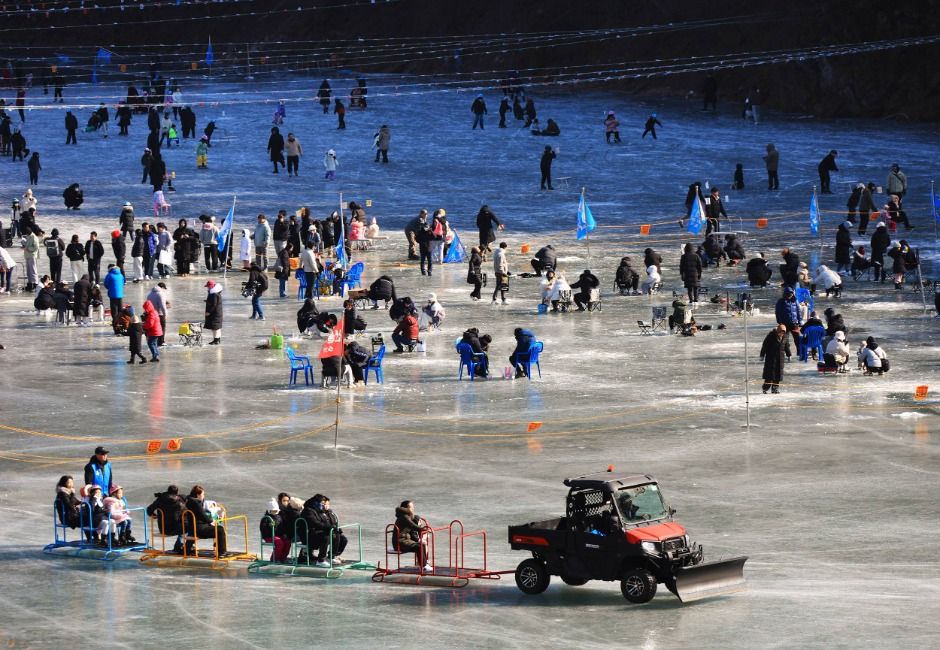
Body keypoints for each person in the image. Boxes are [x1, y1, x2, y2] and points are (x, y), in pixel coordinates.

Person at [301, 495, 347, 567]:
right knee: (325, 537)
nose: (323, 505)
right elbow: (315, 523)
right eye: (322, 503)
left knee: (337, 535)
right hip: (309, 534)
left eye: (324, 503)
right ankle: (320, 560)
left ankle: (331, 557)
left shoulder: (321, 511)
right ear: (316, 503)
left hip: (318, 532)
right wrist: (328, 527)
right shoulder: (308, 511)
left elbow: (327, 522)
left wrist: (334, 528)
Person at [185, 485, 228, 556]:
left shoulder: (190, 501)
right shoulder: (196, 503)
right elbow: (203, 515)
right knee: (220, 530)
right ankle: (221, 552)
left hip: (194, 528)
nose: (203, 496)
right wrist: (211, 521)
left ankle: (187, 549)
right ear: (198, 495)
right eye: (203, 494)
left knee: (217, 528)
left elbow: (201, 515)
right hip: (199, 529)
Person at [394, 500, 431, 571]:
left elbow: (413, 527)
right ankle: (423, 566)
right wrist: (423, 529)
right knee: (419, 546)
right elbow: (412, 525)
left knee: (422, 545)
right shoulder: (404, 517)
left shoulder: (407, 516)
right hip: (399, 543)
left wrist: (422, 530)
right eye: (411, 507)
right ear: (406, 508)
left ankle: (424, 564)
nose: (413, 509)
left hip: (405, 540)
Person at [760, 324, 791, 393]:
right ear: (778, 331)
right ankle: (765, 388)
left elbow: (786, 347)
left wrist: (789, 355)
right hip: (771, 358)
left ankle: (775, 389)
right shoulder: (771, 336)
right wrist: (762, 355)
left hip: (780, 359)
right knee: (769, 374)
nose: (781, 334)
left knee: (778, 375)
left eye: (783, 333)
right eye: (781, 332)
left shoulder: (785, 337)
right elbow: (764, 346)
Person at [204, 280, 223, 345]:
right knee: (216, 327)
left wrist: (209, 312)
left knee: (215, 327)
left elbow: (214, 305)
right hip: (217, 313)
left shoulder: (214, 294)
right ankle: (217, 339)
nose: (207, 288)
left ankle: (216, 340)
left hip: (215, 313)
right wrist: (208, 301)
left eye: (208, 286)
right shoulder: (215, 292)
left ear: (211, 286)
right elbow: (214, 302)